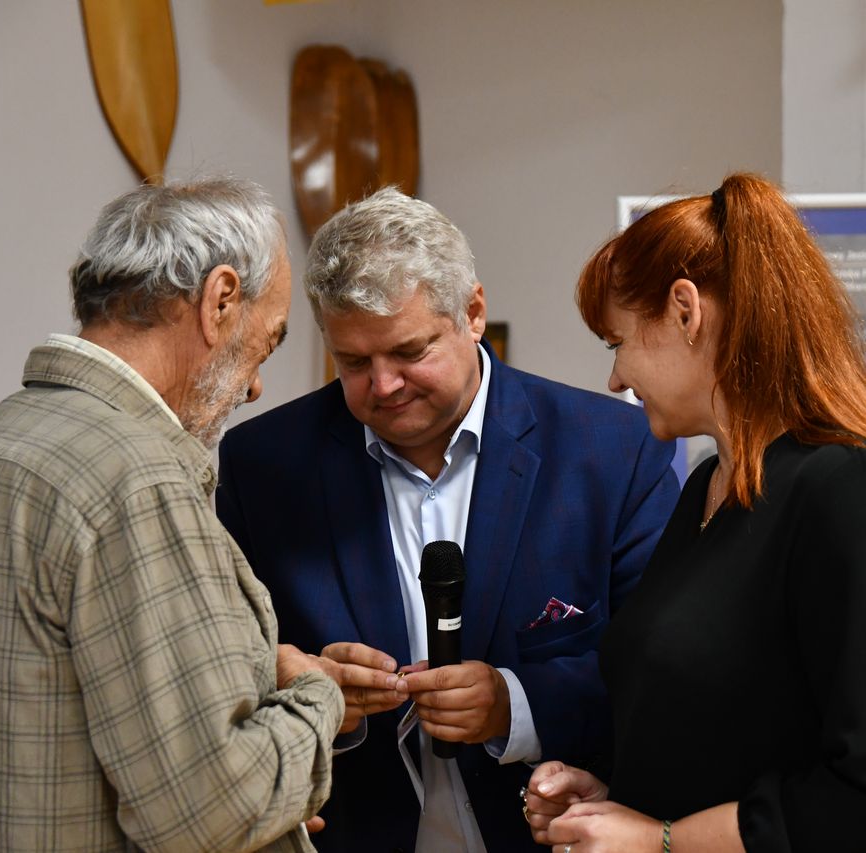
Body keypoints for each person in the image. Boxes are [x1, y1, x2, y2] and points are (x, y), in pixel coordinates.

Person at [0, 177, 371, 852]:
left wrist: (245, 673)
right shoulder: (137, 477)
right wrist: (316, 696)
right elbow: (212, 813)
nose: (256, 386)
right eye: (264, 345)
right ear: (220, 301)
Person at [215, 187, 680, 852]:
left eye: (409, 352)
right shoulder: (263, 465)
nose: (383, 385)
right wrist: (309, 689)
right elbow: (226, 672)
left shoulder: (611, 450)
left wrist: (513, 702)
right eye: (354, 362)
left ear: (473, 314)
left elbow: (660, 676)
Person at [524, 173, 866, 853]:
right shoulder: (704, 488)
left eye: (617, 342)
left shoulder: (857, 490)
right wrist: (616, 804)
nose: (615, 378)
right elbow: (729, 737)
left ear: (685, 311)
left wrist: (663, 838)